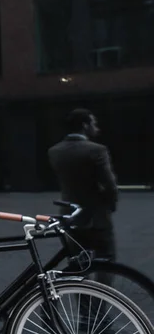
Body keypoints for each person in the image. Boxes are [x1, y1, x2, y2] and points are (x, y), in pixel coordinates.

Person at [48, 109, 118, 267]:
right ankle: (102, 291)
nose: (97, 127)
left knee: (77, 262)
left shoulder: (54, 151)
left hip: (69, 214)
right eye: (94, 123)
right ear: (85, 125)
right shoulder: (97, 150)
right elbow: (110, 184)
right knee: (106, 260)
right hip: (96, 216)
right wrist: (110, 204)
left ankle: (80, 291)